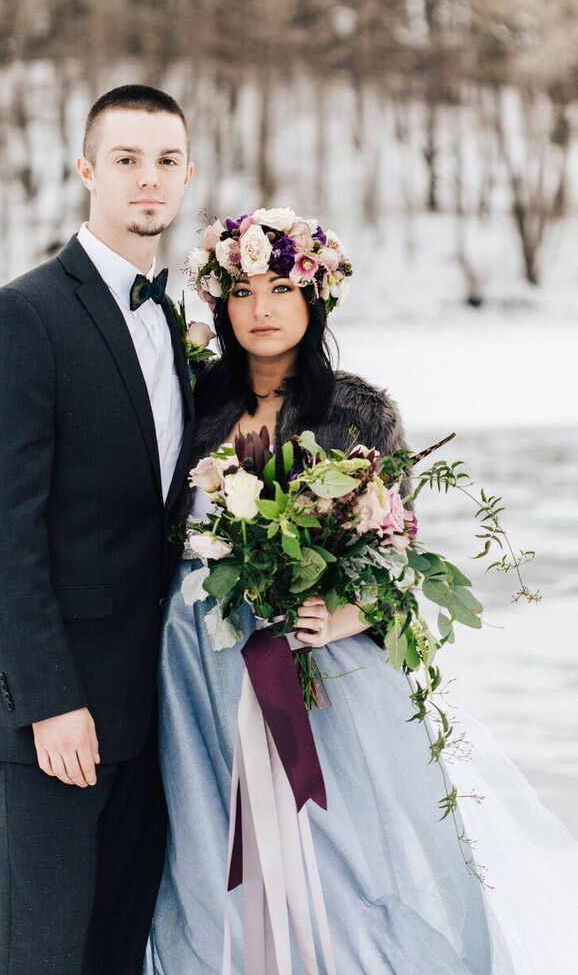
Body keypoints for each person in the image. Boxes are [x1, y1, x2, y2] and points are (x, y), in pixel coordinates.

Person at [145, 209, 578, 974]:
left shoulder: (360, 412)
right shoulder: (190, 407)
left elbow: (398, 558)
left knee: (345, 864)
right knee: (212, 863)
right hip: (197, 673)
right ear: (221, 303)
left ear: (316, 298)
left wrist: (342, 613)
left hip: (323, 679)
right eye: (243, 291)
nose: (263, 309)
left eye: (282, 287)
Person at [0, 84, 195, 975]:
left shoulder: (169, 322)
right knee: (42, 957)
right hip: (51, 711)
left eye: (166, 161)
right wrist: (53, 700)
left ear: (187, 175)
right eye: (127, 160)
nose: (148, 181)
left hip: (149, 708)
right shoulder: (22, 318)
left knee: (117, 953)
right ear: (87, 170)